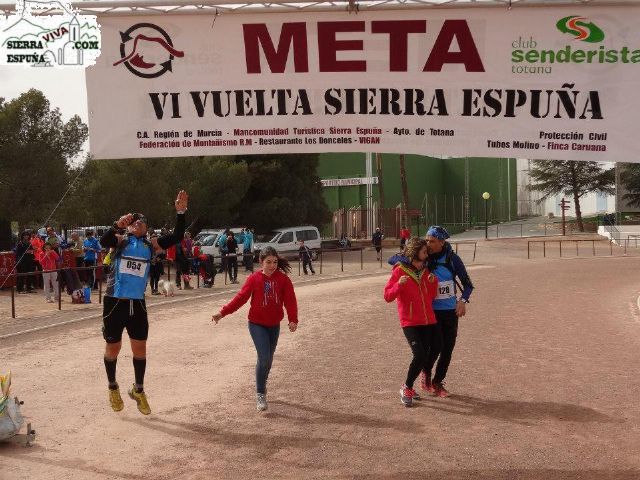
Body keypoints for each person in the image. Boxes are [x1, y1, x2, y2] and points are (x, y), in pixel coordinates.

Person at [99, 190, 188, 415]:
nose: (137, 224)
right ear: (128, 227)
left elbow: (178, 236)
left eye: (142, 222)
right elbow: (104, 240)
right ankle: (112, 386)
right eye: (133, 221)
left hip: (137, 304)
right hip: (114, 302)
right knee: (114, 347)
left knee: (140, 348)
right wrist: (117, 225)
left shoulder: (151, 245)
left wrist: (181, 212)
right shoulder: (120, 240)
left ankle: (138, 389)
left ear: (147, 228)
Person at [212, 246, 298, 412]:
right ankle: (260, 394)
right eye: (268, 262)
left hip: (274, 325)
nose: (272, 265)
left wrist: (293, 320)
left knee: (269, 360)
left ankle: (262, 384)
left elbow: (290, 301)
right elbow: (241, 298)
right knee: (264, 357)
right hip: (257, 324)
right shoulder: (254, 279)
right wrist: (222, 312)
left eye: (275, 262)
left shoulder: (283, 280)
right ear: (261, 262)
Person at [384, 237, 439, 407]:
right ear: (415, 253)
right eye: (424, 251)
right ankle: (406, 387)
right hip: (410, 322)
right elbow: (387, 296)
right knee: (420, 355)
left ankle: (412, 385)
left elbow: (432, 296)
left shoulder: (426, 271)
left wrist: (432, 282)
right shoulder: (399, 271)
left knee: (427, 355)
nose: (427, 253)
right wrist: (398, 285)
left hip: (428, 320)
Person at [420, 226, 474, 398]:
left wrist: (462, 301)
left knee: (447, 348)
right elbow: (394, 261)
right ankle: (425, 375)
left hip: (450, 312)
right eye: (426, 240)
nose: (428, 244)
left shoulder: (453, 259)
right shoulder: (422, 257)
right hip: (430, 311)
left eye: (432, 241)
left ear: (442, 243)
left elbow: (468, 285)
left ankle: (438, 382)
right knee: (434, 347)